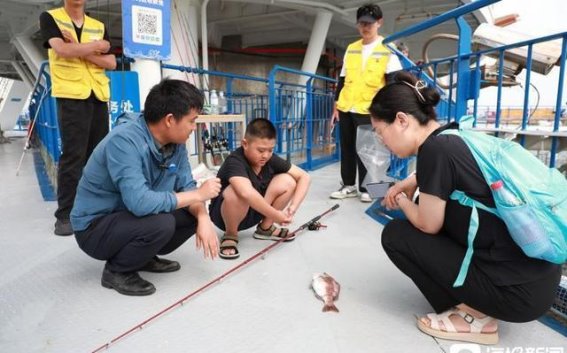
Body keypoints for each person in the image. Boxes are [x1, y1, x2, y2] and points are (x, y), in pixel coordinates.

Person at [369, 72, 561, 344]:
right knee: (430, 210)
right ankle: (476, 305)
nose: (382, 141)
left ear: (401, 120)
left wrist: (397, 198)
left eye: (380, 132)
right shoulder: (453, 135)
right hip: (537, 281)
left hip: (515, 295)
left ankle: (474, 318)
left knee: (397, 235)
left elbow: (427, 224)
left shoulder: (434, 152)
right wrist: (411, 182)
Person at [71, 80, 222, 296]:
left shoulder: (176, 144)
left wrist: (204, 217)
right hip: (94, 227)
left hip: (127, 217)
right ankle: (117, 271)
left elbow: (187, 185)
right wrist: (199, 194)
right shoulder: (124, 141)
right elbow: (139, 203)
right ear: (170, 120)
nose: (193, 127)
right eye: (192, 121)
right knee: (162, 222)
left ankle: (143, 256)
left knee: (192, 214)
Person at [40, 0, 116, 236]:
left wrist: (80, 48)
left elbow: (111, 62)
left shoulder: (98, 24)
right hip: (72, 95)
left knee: (98, 155)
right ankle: (65, 215)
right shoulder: (50, 17)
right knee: (73, 155)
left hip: (98, 95)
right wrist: (96, 47)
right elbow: (61, 50)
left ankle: (96, 208)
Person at [330, 3, 402, 203]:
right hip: (347, 106)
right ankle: (348, 185)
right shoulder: (352, 48)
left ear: (379, 23)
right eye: (362, 23)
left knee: (367, 148)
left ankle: (366, 188)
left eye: (370, 23)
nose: (365, 27)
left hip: (369, 109)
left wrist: (386, 111)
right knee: (346, 147)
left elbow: (393, 82)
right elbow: (342, 79)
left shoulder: (388, 48)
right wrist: (336, 105)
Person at [209, 118, 311, 260]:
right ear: (245, 144)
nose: (266, 155)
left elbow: (304, 177)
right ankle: (230, 235)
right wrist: (277, 215)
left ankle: (265, 228)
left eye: (270, 150)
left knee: (288, 181)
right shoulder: (234, 161)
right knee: (236, 192)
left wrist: (293, 207)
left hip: (254, 211)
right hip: (225, 216)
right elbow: (246, 193)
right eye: (261, 150)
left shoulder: (269, 158)